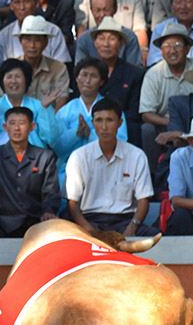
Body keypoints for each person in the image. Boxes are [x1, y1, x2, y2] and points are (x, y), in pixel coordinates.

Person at [65, 97, 158, 236]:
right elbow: (72, 204)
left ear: (120, 123)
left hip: (125, 220)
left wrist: (132, 228)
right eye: (99, 120)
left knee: (156, 238)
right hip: (90, 220)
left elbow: (143, 200)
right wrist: (90, 230)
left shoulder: (136, 156)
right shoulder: (79, 157)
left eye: (110, 120)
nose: (104, 127)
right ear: (92, 123)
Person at [0, 106, 59, 238]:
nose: (17, 128)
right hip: (3, 220)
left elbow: (51, 191)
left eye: (22, 123)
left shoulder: (44, 157)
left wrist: (49, 211)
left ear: (32, 127)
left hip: (34, 220)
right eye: (12, 123)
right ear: (5, 127)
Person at [54, 57, 127, 181]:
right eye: (84, 75)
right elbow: (57, 145)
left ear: (102, 81)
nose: (87, 81)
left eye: (93, 76)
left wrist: (90, 135)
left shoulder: (112, 109)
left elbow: (121, 141)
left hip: (107, 165)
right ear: (76, 79)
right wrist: (76, 134)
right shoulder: (65, 111)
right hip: (71, 166)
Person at [139, 23, 193, 172]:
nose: (172, 50)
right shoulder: (153, 74)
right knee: (147, 130)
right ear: (161, 50)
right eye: (167, 45)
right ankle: (152, 178)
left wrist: (182, 132)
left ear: (187, 48)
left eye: (177, 44)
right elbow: (146, 114)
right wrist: (174, 127)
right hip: (164, 125)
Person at [0, 58, 58, 150]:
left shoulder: (39, 106)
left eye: (18, 76)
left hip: (34, 159)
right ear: (2, 81)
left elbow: (52, 138)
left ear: (26, 80)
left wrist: (44, 109)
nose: (13, 81)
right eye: (9, 77)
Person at [91, 17, 144, 144]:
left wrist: (113, 122)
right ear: (95, 43)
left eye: (112, 39)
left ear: (121, 44)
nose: (106, 44)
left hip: (122, 125)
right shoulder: (88, 72)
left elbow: (134, 110)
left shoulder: (134, 74)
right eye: (102, 39)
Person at [0, 0, 70, 68]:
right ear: (11, 6)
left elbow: (61, 66)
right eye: (17, 2)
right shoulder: (3, 36)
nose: (22, 7)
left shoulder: (53, 31)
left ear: (36, 4)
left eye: (26, 2)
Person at [74, 0, 144, 67]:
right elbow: (80, 71)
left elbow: (133, 71)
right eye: (97, 10)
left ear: (115, 9)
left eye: (106, 10)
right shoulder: (84, 38)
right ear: (91, 10)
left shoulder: (129, 36)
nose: (102, 15)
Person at [16, 15, 69, 110]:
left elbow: (62, 99)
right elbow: (2, 98)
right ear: (20, 41)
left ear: (45, 43)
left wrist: (51, 121)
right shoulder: (11, 68)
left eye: (37, 40)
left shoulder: (58, 68)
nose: (32, 45)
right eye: (28, 40)